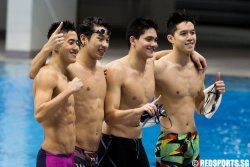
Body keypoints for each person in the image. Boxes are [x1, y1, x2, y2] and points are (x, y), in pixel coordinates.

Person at [98, 17, 207, 167]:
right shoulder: (115, 70)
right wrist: (139, 111)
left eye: (155, 40)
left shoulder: (149, 64)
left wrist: (193, 53)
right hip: (114, 143)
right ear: (133, 40)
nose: (154, 44)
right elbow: (109, 117)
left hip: (137, 142)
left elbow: (169, 54)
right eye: (148, 39)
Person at [30, 17, 111, 167]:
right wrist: (47, 47)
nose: (104, 44)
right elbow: (33, 73)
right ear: (85, 39)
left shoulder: (104, 71)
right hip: (70, 153)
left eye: (107, 40)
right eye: (100, 39)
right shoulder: (68, 70)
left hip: (93, 154)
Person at [154, 10, 226, 166]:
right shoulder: (158, 68)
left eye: (192, 33)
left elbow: (201, 108)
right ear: (171, 38)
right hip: (170, 141)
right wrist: (194, 52)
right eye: (184, 34)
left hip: (193, 141)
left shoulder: (198, 68)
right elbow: (137, 59)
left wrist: (216, 94)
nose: (190, 37)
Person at [33, 21, 83, 167]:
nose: (76, 48)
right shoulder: (47, 75)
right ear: (56, 45)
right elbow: (39, 114)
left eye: (77, 43)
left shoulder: (66, 74)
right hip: (52, 158)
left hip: (69, 157)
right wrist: (68, 91)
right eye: (71, 42)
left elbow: (31, 72)